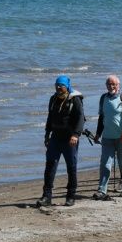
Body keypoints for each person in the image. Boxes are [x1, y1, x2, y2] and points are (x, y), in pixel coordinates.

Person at [38, 75, 84, 207]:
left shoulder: (75, 100)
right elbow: (50, 117)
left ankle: (71, 196)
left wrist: (75, 135)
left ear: (67, 86)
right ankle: (46, 197)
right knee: (50, 167)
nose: (58, 87)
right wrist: (47, 134)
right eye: (57, 85)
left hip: (70, 140)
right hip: (55, 139)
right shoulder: (53, 99)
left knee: (71, 167)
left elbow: (80, 119)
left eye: (61, 85)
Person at [94, 75, 122, 200]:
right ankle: (102, 190)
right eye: (109, 84)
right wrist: (98, 134)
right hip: (107, 137)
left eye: (114, 84)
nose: (111, 86)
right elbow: (101, 118)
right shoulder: (103, 98)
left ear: (118, 85)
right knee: (105, 164)